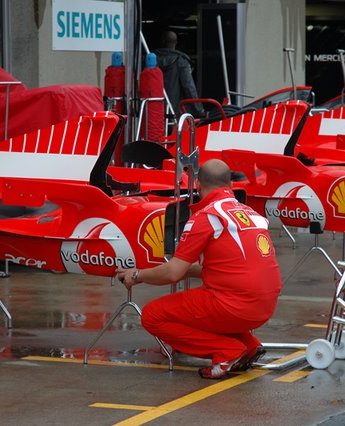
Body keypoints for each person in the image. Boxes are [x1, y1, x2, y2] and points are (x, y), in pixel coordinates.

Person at [116, 159, 282, 379]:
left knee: (153, 315)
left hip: (235, 304)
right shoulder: (251, 213)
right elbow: (216, 268)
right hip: (265, 305)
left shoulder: (207, 217)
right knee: (210, 306)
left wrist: (138, 275)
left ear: (197, 186)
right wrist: (158, 269)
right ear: (230, 185)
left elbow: (174, 272)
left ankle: (225, 351)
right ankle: (249, 344)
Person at [153, 30, 205, 117]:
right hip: (175, 113)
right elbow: (189, 88)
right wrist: (200, 111)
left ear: (162, 41)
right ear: (176, 42)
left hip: (153, 110)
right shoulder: (181, 61)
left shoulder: (150, 60)